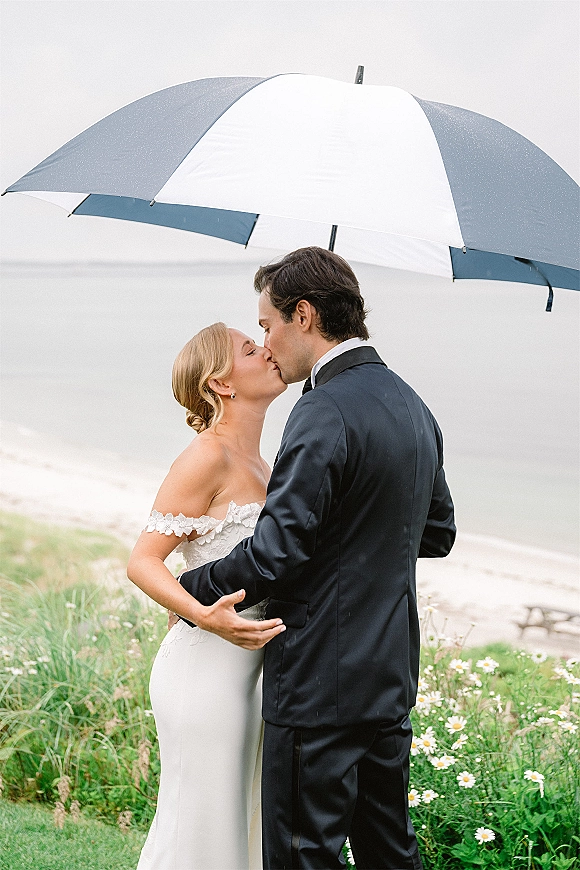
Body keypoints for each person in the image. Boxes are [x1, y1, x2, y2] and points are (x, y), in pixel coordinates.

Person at [177, 247, 456, 870]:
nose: (266, 341)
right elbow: (437, 533)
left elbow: (278, 553)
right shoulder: (415, 407)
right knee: (389, 851)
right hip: (388, 678)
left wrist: (193, 589)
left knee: (306, 854)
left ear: (303, 315)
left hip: (318, 684)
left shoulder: (322, 408)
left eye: (268, 324)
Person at [127, 322, 288, 870]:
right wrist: (201, 615)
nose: (267, 350)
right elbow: (143, 560)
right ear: (221, 384)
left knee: (243, 824)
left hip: (255, 669)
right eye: (251, 349)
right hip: (204, 670)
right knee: (202, 825)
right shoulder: (206, 457)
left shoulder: (266, 466)